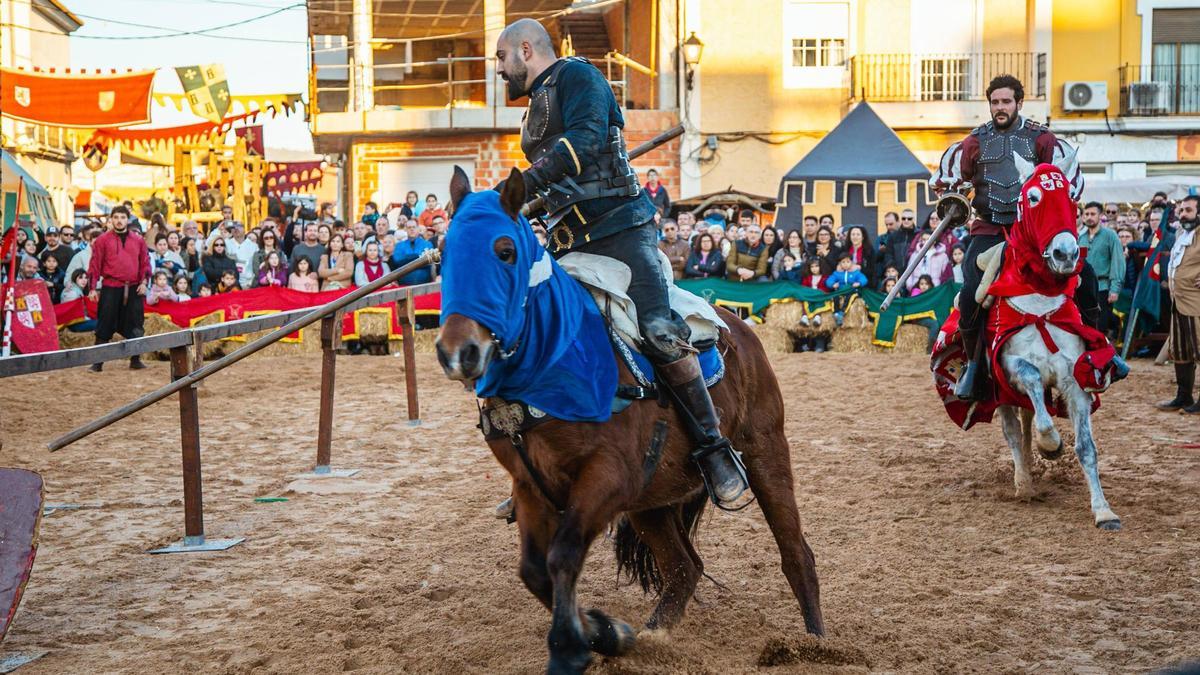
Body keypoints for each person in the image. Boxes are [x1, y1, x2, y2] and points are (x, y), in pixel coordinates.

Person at [495, 17, 748, 508]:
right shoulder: (533, 111)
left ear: (526, 50)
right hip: (568, 243)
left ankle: (714, 449)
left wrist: (526, 183)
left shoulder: (579, 77)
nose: (500, 70)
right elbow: (554, 184)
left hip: (621, 233)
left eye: (502, 58)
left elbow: (586, 143)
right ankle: (541, 464)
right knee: (540, 332)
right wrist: (512, 211)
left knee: (658, 330)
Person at [930, 73, 1125, 400]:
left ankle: (1098, 349)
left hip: (1036, 234)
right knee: (969, 294)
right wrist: (958, 193)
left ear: (1019, 103)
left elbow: (1067, 183)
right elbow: (948, 183)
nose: (1000, 108)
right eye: (995, 102)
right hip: (990, 230)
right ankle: (976, 367)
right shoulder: (973, 143)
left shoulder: (1042, 140)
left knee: (1087, 278)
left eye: (1006, 101)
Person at [86, 205, 151, 371]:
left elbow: (145, 263)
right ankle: (98, 362)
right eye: (116, 217)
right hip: (111, 287)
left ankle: (135, 360)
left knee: (136, 324)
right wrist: (92, 288)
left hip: (134, 288)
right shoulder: (102, 240)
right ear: (111, 220)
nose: (119, 221)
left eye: (122, 217)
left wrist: (144, 282)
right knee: (104, 323)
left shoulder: (138, 240)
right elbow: (95, 264)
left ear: (127, 220)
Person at [1158, 195, 1200, 413]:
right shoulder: (1183, 234)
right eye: (1181, 210)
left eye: (1188, 210)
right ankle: (1183, 396)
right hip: (1178, 301)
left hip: (1196, 303)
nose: (1183, 214)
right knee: (1181, 350)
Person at [1078, 201, 1126, 336]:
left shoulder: (1110, 236)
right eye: (1086, 214)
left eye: (1093, 214)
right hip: (1083, 287)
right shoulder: (1080, 237)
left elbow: (1118, 262)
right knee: (1085, 325)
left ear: (1100, 216)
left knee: (1101, 326)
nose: (1089, 217)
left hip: (1103, 287)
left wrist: (1115, 289)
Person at [824, 254, 868, 326]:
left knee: (849, 298)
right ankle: (836, 313)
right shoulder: (837, 273)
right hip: (840, 291)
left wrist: (859, 283)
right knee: (835, 297)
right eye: (843, 262)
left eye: (848, 262)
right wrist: (832, 284)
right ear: (840, 264)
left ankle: (842, 313)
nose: (845, 264)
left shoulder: (856, 273)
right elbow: (829, 280)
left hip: (852, 291)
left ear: (852, 263)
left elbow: (864, 279)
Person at [390, 220, 433, 285]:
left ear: (418, 229)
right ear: (405, 229)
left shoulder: (427, 244)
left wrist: (406, 259)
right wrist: (418, 256)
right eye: (409, 227)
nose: (412, 229)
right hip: (404, 284)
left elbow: (428, 261)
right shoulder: (399, 245)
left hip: (424, 284)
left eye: (414, 227)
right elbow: (397, 260)